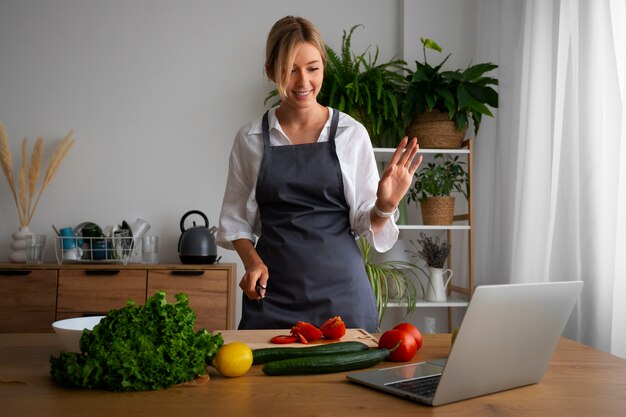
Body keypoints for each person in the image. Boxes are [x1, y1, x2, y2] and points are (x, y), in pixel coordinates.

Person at [216, 16, 422, 332]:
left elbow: (367, 224)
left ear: (324, 67)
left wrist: (386, 205)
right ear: (272, 71)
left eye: (313, 68)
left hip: (343, 296)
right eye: (290, 70)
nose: (303, 82)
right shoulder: (251, 139)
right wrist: (252, 262)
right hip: (274, 295)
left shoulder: (351, 134)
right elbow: (234, 222)